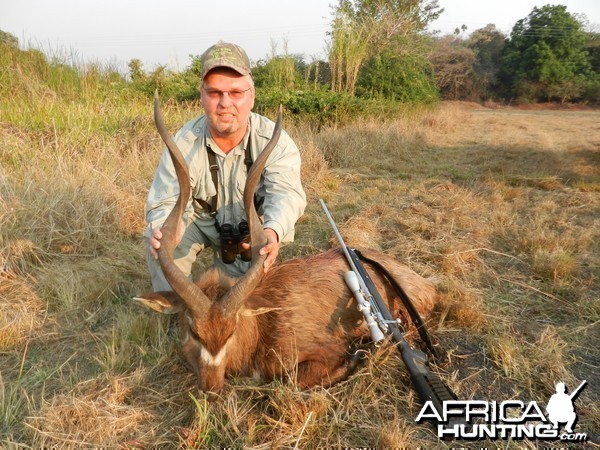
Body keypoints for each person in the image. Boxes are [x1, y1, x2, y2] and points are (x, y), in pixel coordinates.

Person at [145, 41, 306, 292]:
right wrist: (167, 225)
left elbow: (285, 194)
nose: (225, 103)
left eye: (236, 93)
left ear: (251, 96)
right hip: (199, 222)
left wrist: (271, 233)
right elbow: (166, 199)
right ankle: (176, 320)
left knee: (249, 294)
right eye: (215, 93)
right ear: (202, 96)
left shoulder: (274, 140)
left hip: (248, 232)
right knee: (160, 243)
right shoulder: (184, 143)